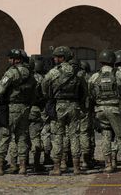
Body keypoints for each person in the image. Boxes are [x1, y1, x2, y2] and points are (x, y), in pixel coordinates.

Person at [43, 46, 88, 176]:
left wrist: (49, 95)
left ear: (62, 58)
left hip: (59, 106)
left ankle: (57, 167)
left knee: (58, 136)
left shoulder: (54, 72)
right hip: (74, 105)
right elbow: (85, 89)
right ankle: (76, 167)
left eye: (57, 57)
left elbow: (44, 84)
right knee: (74, 136)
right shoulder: (78, 72)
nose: (55, 59)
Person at [88, 49, 121, 173]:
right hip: (115, 110)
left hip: (100, 110)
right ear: (113, 60)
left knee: (106, 136)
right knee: (120, 136)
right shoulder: (119, 74)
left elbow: (90, 94)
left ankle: (108, 164)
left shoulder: (95, 76)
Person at [0, 48, 36, 176]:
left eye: (11, 58)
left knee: (5, 136)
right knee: (22, 137)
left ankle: (0, 167)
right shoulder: (30, 73)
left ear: (16, 60)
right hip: (25, 108)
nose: (9, 60)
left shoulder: (11, 73)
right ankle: (22, 166)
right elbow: (34, 92)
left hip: (11, 108)